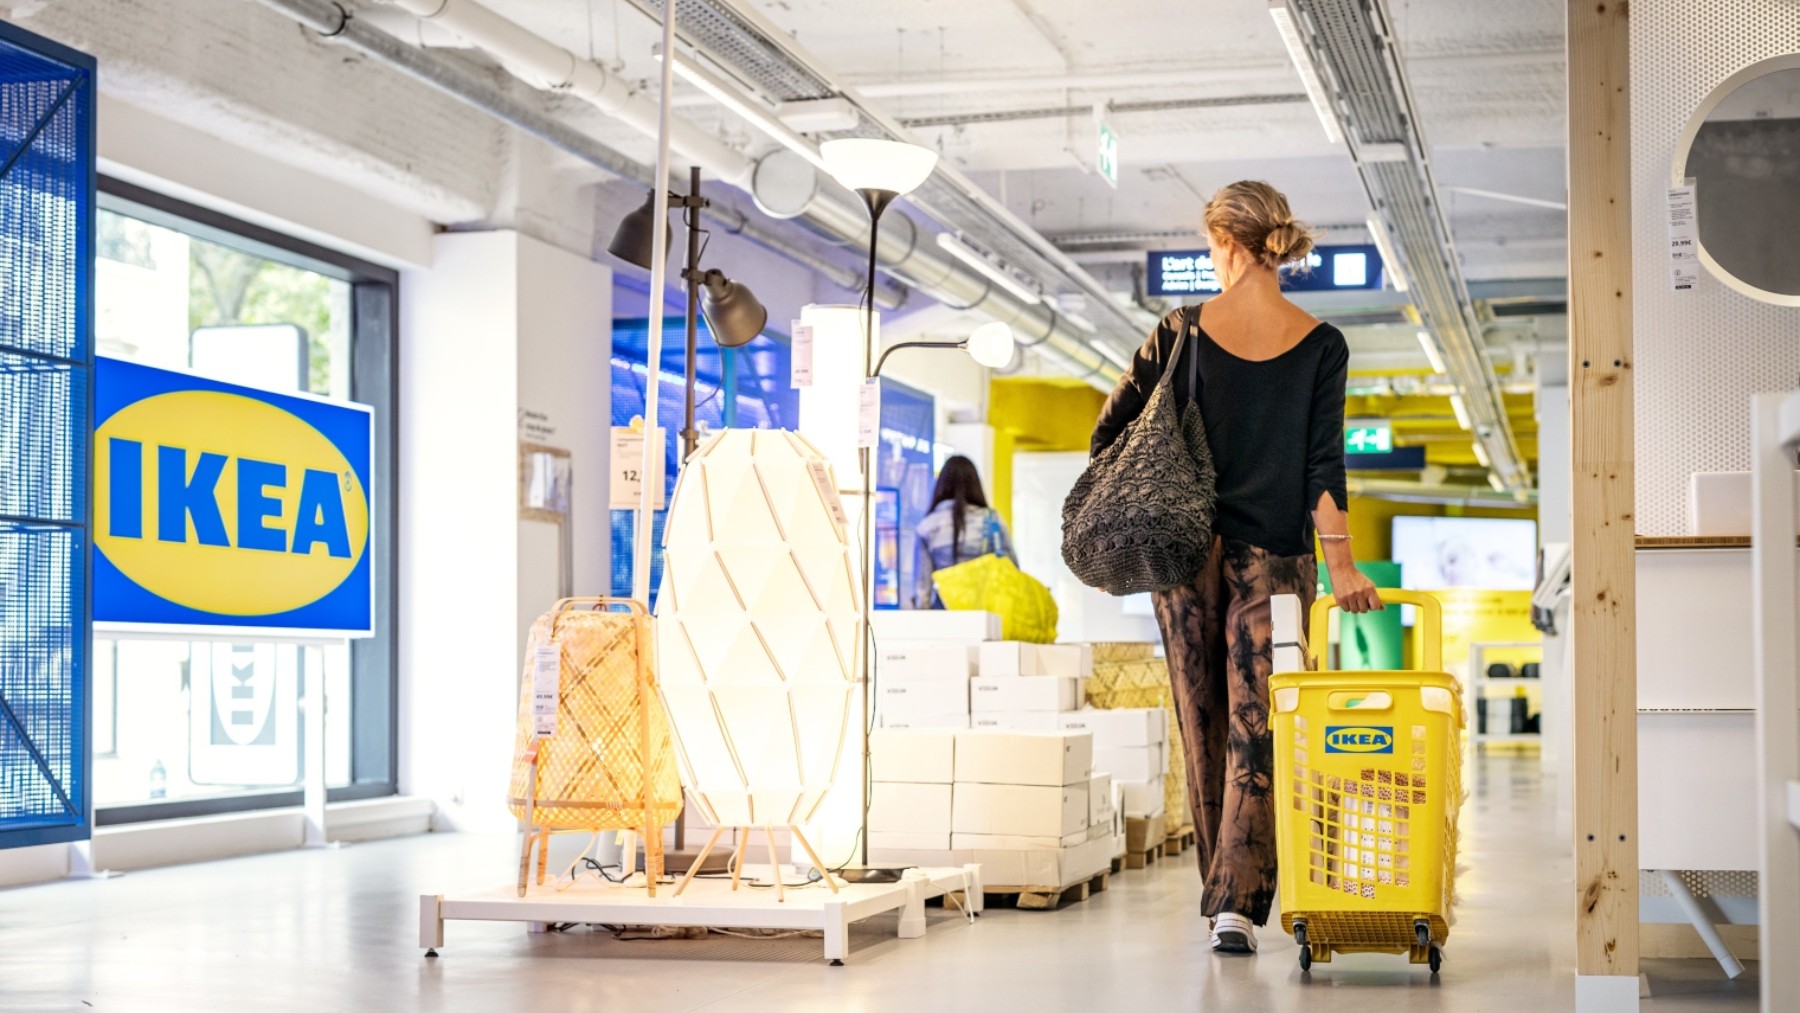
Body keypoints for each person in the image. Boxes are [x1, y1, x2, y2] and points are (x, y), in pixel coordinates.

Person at [1089, 180, 1381, 956]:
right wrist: (1343, 565)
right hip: (1278, 561)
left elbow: (1109, 427)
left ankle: (1219, 890)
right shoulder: (1322, 344)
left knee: (1202, 717)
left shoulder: (1179, 330)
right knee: (1263, 724)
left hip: (1185, 553)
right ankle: (1237, 903)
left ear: (1224, 242)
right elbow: (1325, 468)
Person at [912, 455, 1015, 609]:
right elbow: (1012, 568)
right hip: (987, 613)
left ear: (941, 485)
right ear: (975, 485)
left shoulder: (927, 527)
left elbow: (922, 589)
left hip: (946, 614)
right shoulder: (993, 520)